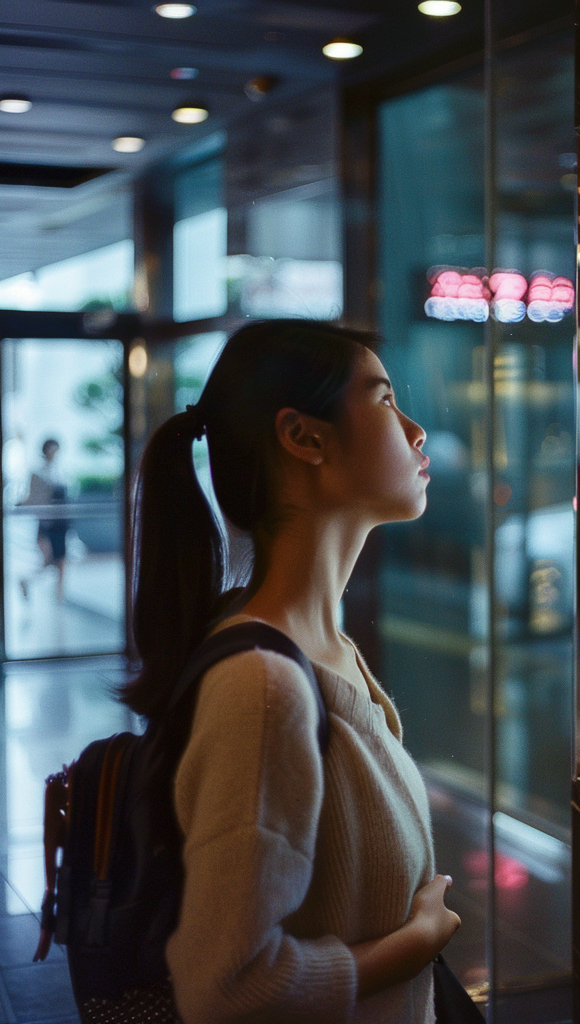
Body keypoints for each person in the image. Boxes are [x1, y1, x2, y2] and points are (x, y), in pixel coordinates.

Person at [122, 320, 459, 1022]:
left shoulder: (326, 650)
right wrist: (417, 942)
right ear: (304, 438)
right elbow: (227, 989)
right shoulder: (264, 686)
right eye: (384, 400)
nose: (416, 429)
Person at [19, 437, 69, 602]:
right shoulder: (38, 472)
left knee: (61, 560)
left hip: (60, 522)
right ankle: (26, 581)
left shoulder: (59, 470)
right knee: (48, 559)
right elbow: (33, 497)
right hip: (47, 522)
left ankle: (59, 596)